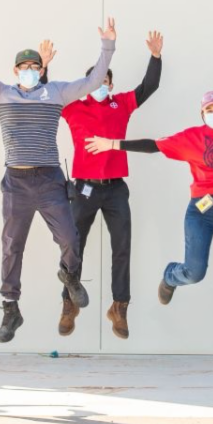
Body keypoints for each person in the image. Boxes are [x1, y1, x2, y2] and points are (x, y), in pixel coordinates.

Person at [84, 40, 213, 320]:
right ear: (202, 114)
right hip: (201, 211)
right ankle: (170, 276)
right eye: (210, 110)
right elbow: (153, 145)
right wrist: (112, 144)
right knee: (194, 273)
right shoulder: (191, 138)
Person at [0, 0, 116, 343]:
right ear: (15, 71)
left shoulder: (56, 92)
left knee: (69, 238)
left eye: (35, 65)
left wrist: (107, 46)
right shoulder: (1, 93)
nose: (30, 70)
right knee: (11, 247)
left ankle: (70, 276)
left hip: (49, 179)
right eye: (24, 66)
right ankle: (11, 309)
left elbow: (93, 80)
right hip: (16, 182)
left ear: (41, 69)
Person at [60, 31, 163, 339]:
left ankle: (120, 306)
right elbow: (46, 94)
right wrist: (46, 67)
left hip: (115, 189)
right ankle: (69, 303)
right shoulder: (73, 107)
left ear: (111, 84)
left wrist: (155, 56)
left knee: (122, 246)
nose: (101, 85)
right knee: (73, 245)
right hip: (84, 189)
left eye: (105, 80)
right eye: (96, 80)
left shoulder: (122, 104)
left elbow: (149, 87)